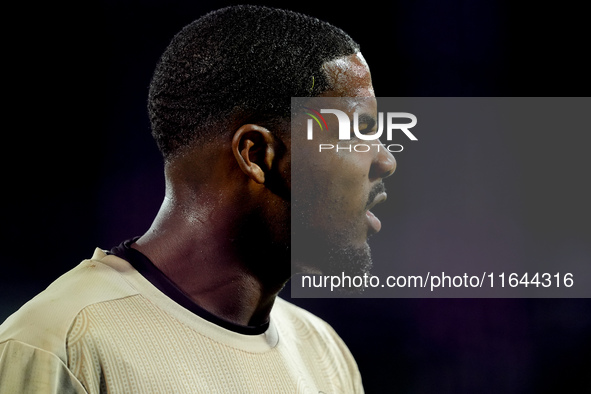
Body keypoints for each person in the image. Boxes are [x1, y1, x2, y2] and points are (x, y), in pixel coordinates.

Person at [0, 5, 395, 393]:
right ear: (256, 154)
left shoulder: (323, 351)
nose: (385, 161)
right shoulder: (59, 347)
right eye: (356, 132)